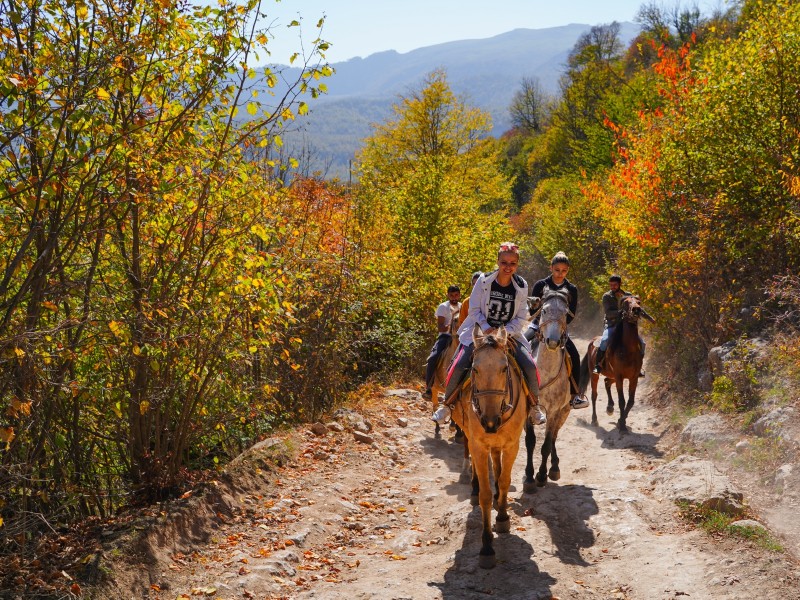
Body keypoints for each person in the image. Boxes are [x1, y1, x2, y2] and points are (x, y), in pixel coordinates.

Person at [432, 242, 546, 426]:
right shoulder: (483, 281)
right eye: (504, 262)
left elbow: (521, 315)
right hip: (479, 331)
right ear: (498, 261)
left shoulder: (521, 285)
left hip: (508, 334)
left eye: (512, 264)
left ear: (517, 264)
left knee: (530, 365)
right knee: (460, 362)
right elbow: (474, 309)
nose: (507, 267)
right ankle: (447, 404)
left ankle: (534, 406)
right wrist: (486, 327)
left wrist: (504, 332)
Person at [526, 252, 589, 409]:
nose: (560, 274)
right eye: (557, 270)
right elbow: (532, 310)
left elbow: (572, 314)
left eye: (564, 271)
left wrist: (559, 326)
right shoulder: (540, 285)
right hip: (538, 325)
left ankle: (575, 395)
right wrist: (539, 315)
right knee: (519, 346)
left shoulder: (571, 288)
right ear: (551, 268)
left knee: (574, 354)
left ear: (567, 270)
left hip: (559, 328)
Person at [594, 274, 656, 375]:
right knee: (604, 341)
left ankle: (639, 367)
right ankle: (598, 365)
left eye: (615, 284)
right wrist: (621, 311)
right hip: (612, 324)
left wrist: (649, 318)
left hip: (626, 326)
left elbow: (637, 309)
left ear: (620, 284)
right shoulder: (606, 296)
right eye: (611, 285)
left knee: (642, 344)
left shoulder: (628, 295)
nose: (612, 287)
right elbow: (608, 313)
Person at [422, 285, 462, 401]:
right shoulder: (443, 307)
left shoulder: (462, 306)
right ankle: (429, 387)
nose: (454, 297)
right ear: (448, 295)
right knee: (433, 358)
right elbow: (440, 326)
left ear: (459, 295)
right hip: (445, 337)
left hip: (460, 337)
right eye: (451, 295)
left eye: (456, 295)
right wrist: (450, 328)